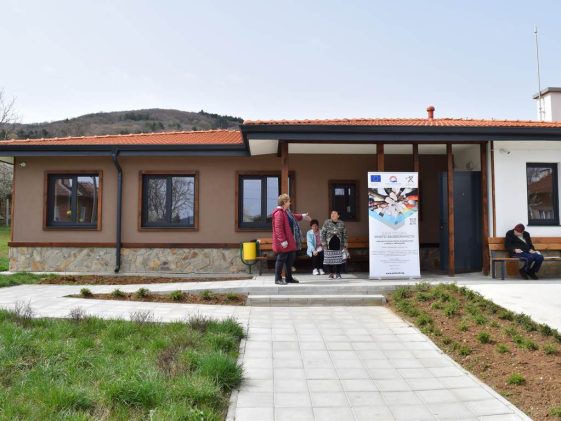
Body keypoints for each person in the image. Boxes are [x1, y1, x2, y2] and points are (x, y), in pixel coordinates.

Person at [271, 194, 309, 285]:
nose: (290, 203)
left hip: (289, 241)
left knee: (290, 259)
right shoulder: (279, 213)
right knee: (281, 259)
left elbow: (293, 216)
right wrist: (282, 241)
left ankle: (289, 278)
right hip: (283, 242)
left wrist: (303, 216)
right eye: (288, 201)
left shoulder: (285, 212)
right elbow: (278, 228)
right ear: (284, 202)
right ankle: (278, 279)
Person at [321, 210, 348, 279]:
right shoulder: (327, 222)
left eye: (335, 213)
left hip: (339, 244)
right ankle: (331, 273)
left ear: (338, 216)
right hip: (329, 244)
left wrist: (345, 244)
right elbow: (323, 233)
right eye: (332, 213)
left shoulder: (341, 223)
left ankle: (338, 273)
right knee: (329, 259)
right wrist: (323, 243)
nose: (333, 214)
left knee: (339, 259)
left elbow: (345, 234)